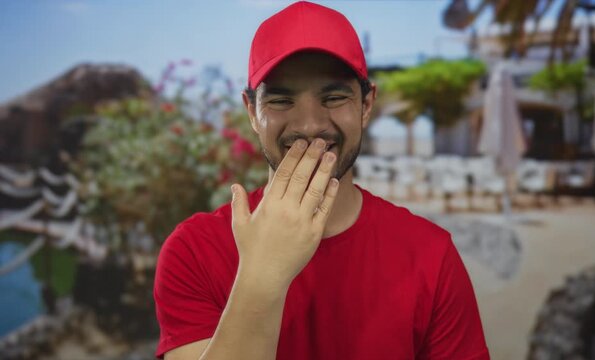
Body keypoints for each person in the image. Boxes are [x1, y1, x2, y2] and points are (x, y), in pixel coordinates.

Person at [154, 2, 489, 359]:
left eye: (334, 97)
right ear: (252, 112)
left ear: (366, 104)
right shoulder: (194, 251)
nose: (310, 125)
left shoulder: (430, 256)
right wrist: (261, 274)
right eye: (281, 100)